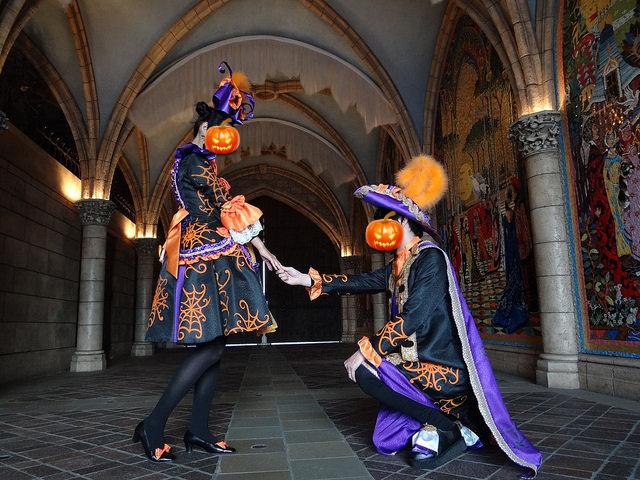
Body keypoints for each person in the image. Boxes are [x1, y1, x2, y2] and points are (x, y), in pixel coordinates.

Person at [278, 155, 542, 477]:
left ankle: (446, 426)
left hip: (443, 369)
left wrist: (366, 350)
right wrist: (306, 280)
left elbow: (413, 317)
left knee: (362, 369)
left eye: (383, 221)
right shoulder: (399, 263)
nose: (377, 228)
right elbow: (361, 281)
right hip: (414, 363)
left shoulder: (430, 259)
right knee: (383, 430)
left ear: (402, 222)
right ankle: (444, 426)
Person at [134, 63, 282, 462]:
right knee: (209, 348)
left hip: (210, 252)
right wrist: (265, 253)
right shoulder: (196, 162)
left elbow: (229, 215)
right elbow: (227, 212)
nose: (226, 137)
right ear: (205, 129)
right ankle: (153, 424)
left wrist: (264, 253)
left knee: (215, 347)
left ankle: (198, 430)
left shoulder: (202, 163)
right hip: (202, 258)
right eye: (222, 129)